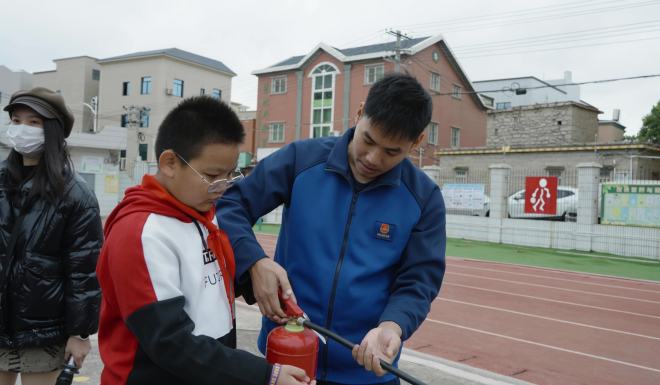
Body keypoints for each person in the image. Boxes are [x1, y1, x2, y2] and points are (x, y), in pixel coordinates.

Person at [217, 73, 446, 385]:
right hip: (287, 361)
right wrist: (255, 262)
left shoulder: (423, 197)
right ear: (359, 113)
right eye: (368, 140)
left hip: (367, 371)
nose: (373, 158)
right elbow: (231, 204)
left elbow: (419, 279)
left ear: (417, 141)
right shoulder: (302, 160)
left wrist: (393, 325)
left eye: (392, 152)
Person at [96, 96, 314, 385]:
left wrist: (258, 282)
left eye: (229, 175)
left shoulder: (202, 213)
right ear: (170, 163)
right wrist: (265, 376)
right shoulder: (140, 233)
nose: (223, 187)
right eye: (212, 175)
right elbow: (169, 342)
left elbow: (207, 280)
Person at [0, 87, 103, 385]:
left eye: (33, 123)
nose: (22, 130)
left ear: (53, 131)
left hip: (44, 330)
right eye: (16, 120)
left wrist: (80, 333)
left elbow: (84, 270)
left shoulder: (76, 195)